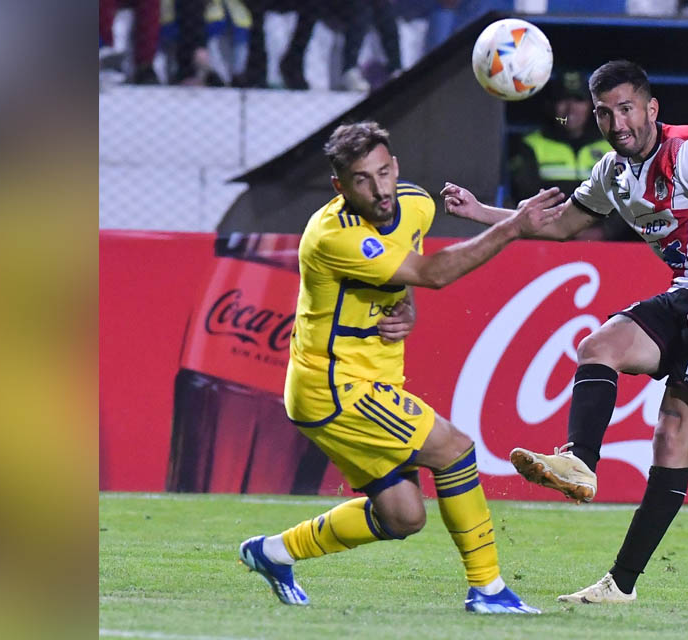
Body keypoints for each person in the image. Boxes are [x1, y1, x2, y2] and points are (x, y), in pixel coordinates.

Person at [442, 60, 688, 604]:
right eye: (604, 112)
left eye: (626, 108)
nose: (615, 121)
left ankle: (620, 583)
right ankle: (580, 461)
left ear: (651, 109)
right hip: (686, 296)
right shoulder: (614, 172)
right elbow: (558, 225)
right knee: (597, 346)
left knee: (671, 438)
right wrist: (482, 212)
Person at [238, 121, 562, 614]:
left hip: (367, 379)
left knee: (403, 516)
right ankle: (489, 591)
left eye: (384, 171)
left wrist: (406, 302)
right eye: (362, 179)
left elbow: (406, 264)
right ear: (340, 187)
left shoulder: (415, 203)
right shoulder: (334, 235)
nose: (379, 187)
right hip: (335, 386)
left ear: (397, 168)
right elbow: (433, 272)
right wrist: (513, 226)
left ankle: (275, 552)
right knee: (454, 450)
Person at [507, 71, 627, 241]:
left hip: (604, 243)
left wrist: (605, 231)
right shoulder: (531, 144)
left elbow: (627, 197)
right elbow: (523, 197)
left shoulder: (611, 147)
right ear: (551, 105)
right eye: (563, 100)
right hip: (545, 239)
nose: (571, 109)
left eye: (579, 100)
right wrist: (560, 229)